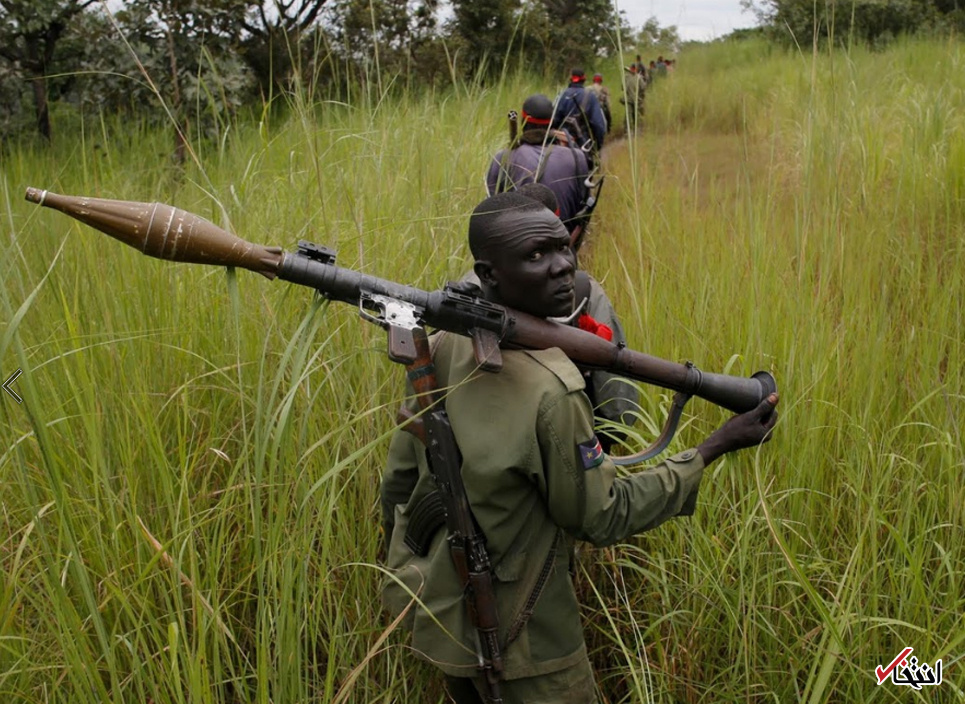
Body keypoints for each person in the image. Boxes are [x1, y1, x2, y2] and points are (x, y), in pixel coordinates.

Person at [381, 192, 780, 704]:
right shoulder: (552, 390)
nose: (562, 267)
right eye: (534, 256)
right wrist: (711, 448)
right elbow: (601, 516)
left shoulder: (440, 345)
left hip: (443, 620)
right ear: (490, 273)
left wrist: (403, 578)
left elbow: (398, 482)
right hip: (527, 642)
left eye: (561, 247)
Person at [487, 94, 590, 234]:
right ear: (551, 124)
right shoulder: (576, 156)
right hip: (564, 242)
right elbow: (582, 203)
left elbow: (491, 209)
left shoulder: (502, 158)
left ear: (523, 121)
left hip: (518, 243)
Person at [552, 68, 607, 154]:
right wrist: (598, 145)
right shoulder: (590, 97)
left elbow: (553, 120)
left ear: (571, 79)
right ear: (584, 79)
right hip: (583, 144)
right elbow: (598, 125)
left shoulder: (561, 95)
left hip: (561, 143)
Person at [622, 64, 646, 130]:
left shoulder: (637, 77)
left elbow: (643, 87)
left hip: (635, 99)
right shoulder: (627, 77)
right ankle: (628, 129)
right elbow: (643, 87)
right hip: (630, 99)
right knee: (629, 115)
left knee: (635, 115)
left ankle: (635, 128)